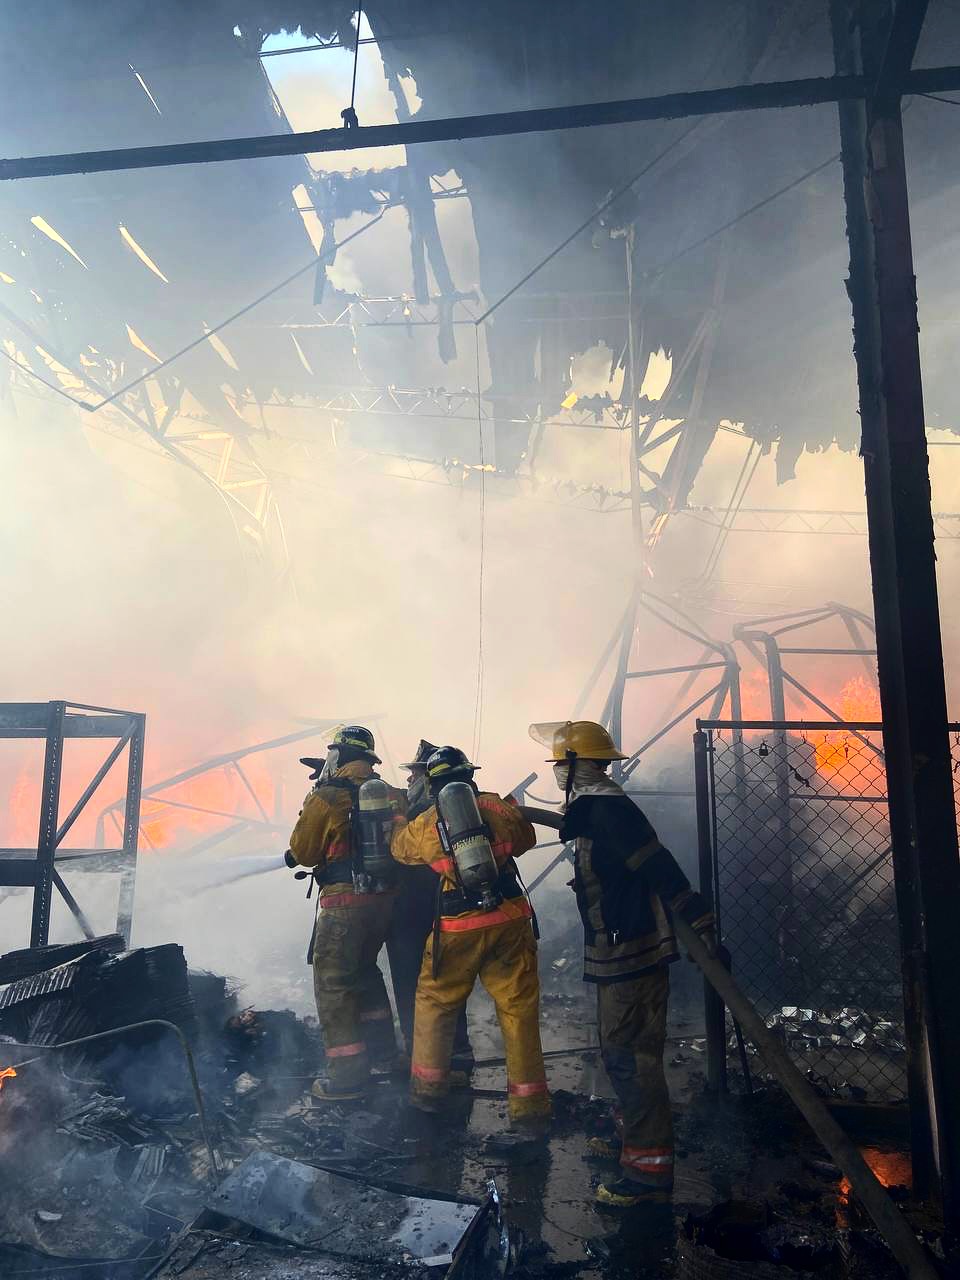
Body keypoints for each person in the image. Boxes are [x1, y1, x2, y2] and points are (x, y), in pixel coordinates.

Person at [530, 720, 716, 1208]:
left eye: (559, 764)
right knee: (618, 1051)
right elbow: (576, 828)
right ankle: (632, 1134)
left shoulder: (611, 812)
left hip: (634, 950)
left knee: (631, 1057)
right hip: (614, 950)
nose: (555, 772)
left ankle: (648, 1170)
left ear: (576, 766)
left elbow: (659, 866)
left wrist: (698, 916)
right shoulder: (594, 809)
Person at [389, 746, 551, 1122]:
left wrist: (397, 819)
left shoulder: (428, 820)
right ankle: (529, 1106)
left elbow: (401, 851)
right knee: (518, 1007)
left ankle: (428, 1091)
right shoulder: (496, 806)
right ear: (469, 774)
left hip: (458, 925)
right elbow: (525, 840)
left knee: (435, 1003)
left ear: (432, 784)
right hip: (508, 919)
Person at [287, 725, 402, 1101]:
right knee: (366, 972)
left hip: (342, 904)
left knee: (334, 985)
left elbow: (303, 853)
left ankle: (348, 1077)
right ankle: (384, 1055)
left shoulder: (326, 796)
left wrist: (318, 793)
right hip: (384, 902)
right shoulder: (390, 793)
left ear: (337, 755)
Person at [386, 740, 473, 1072]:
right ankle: (458, 1049)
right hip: (446, 909)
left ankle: (420, 1053)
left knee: (413, 983)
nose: (409, 779)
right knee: (448, 981)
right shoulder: (463, 807)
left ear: (428, 777)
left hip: (414, 913)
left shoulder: (423, 813)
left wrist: (394, 816)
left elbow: (400, 849)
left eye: (414, 773)